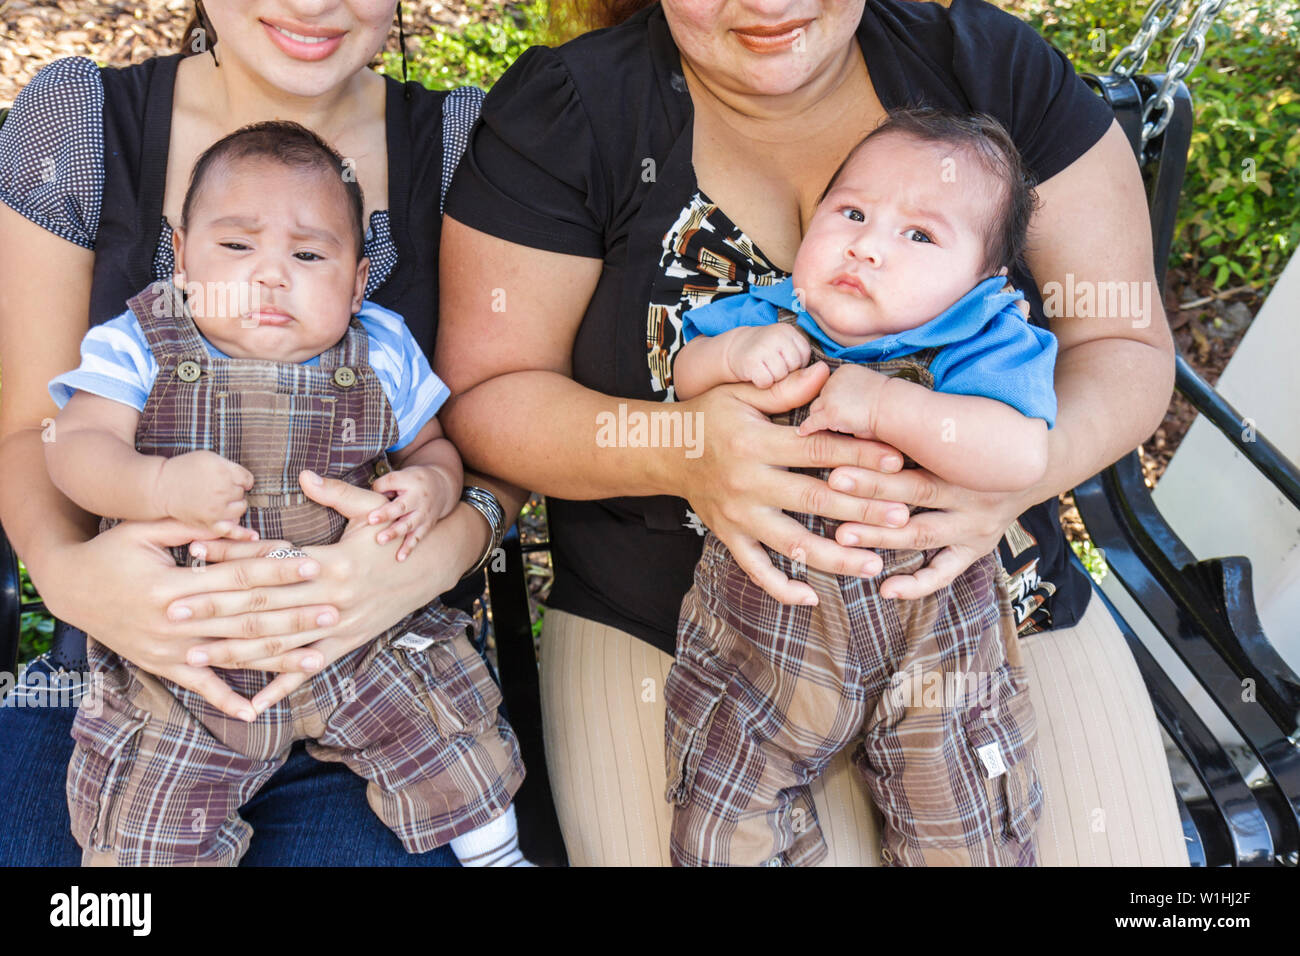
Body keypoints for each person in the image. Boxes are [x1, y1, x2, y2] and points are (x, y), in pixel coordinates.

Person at [438, 0, 1187, 866]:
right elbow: (488, 397)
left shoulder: (987, 71)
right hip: (689, 635)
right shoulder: (572, 112)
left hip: (987, 611)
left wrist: (1002, 478)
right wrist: (684, 450)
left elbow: (1122, 342)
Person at [0, 1, 504, 866]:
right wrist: (72, 578)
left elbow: (497, 418)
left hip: (374, 665)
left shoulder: (465, 141)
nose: (312, 6)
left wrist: (425, 552)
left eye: (311, 255)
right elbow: (30, 428)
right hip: (126, 667)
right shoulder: (85, 122)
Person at [665, 107, 1053, 867]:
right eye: (851, 213)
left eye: (919, 235)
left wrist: (886, 405)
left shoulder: (982, 338)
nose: (867, 246)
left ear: (983, 280)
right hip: (768, 638)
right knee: (722, 813)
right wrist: (732, 356)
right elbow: (682, 378)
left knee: (965, 816)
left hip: (935, 643)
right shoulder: (774, 312)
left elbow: (1018, 454)